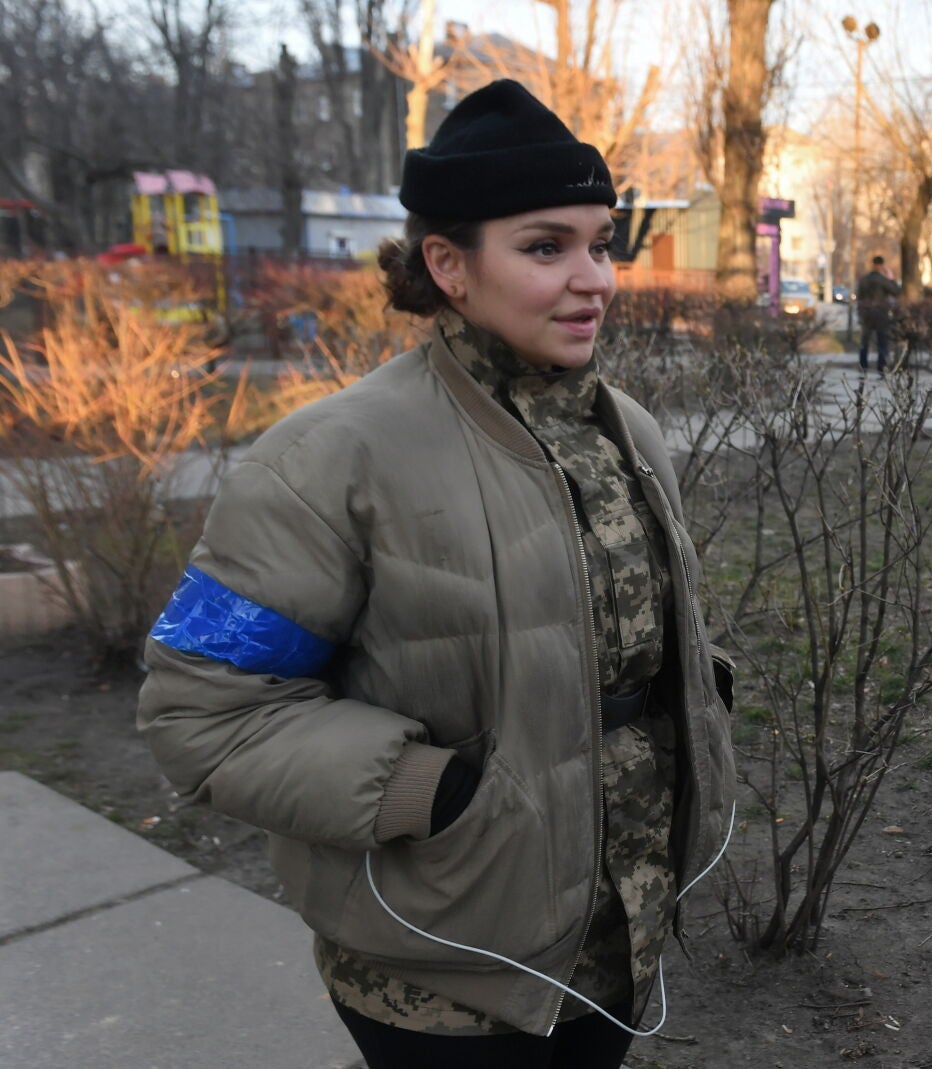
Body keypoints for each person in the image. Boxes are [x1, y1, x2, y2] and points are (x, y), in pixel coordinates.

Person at [137, 79, 737, 1069]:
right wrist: (433, 793)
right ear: (448, 265)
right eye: (545, 247)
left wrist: (696, 693)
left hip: (619, 935)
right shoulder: (328, 458)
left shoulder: (625, 428)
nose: (594, 278)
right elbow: (201, 710)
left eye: (601, 244)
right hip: (440, 973)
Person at [855, 254, 901, 373]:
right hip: (880, 313)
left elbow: (859, 296)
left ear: (872, 264)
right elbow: (896, 291)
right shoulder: (883, 280)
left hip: (866, 312)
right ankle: (881, 365)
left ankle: (863, 365)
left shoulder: (864, 279)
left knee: (865, 340)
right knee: (882, 341)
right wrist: (891, 278)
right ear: (882, 265)